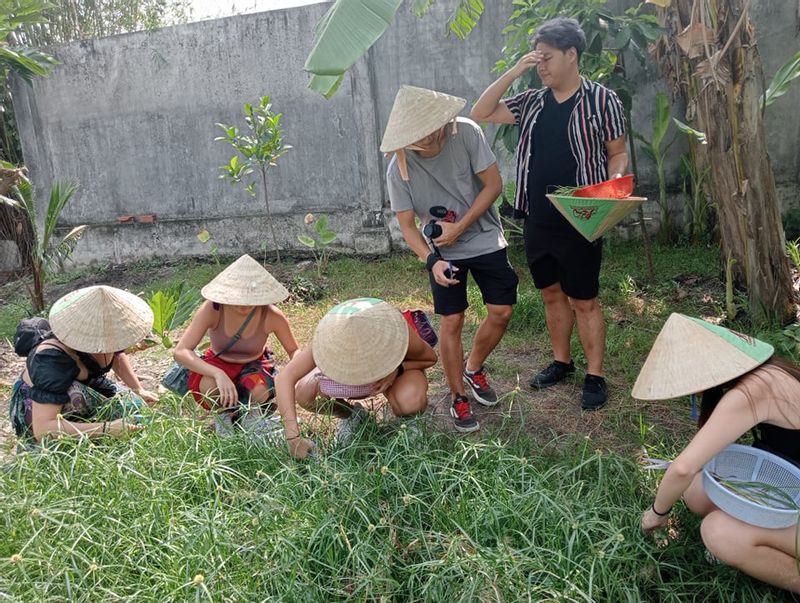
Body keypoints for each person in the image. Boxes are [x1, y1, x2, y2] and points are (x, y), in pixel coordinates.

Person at [471, 17, 628, 410]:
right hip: (537, 214)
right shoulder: (533, 101)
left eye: (546, 58)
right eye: (536, 59)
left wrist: (614, 186)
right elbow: (481, 110)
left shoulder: (602, 99)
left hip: (582, 214)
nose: (540, 65)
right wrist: (516, 69)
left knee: (585, 298)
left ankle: (596, 374)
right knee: (551, 293)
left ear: (571, 54)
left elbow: (618, 153)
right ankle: (562, 362)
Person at [382, 85, 518, 433]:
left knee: (501, 312)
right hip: (442, 252)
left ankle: (474, 367)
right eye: (419, 136)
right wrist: (432, 261)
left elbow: (493, 185)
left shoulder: (467, 133)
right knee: (452, 321)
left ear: (444, 121)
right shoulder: (399, 168)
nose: (429, 139)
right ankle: (458, 395)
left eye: (434, 129)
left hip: (485, 236)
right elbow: (408, 226)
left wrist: (462, 227)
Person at [635, 313, 800, 593]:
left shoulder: (754, 390)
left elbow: (683, 468)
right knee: (697, 490)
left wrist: (655, 514)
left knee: (718, 532)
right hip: (790, 486)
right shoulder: (766, 372)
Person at [274, 298, 437, 459]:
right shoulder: (328, 338)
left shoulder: (394, 329)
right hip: (352, 383)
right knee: (304, 392)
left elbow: (430, 358)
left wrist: (396, 369)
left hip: (396, 375)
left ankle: (410, 422)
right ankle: (351, 416)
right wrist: (293, 438)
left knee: (409, 402)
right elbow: (284, 378)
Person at [9, 285, 157, 442]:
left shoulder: (110, 334)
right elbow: (44, 429)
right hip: (42, 408)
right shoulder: (51, 359)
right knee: (75, 397)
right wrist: (107, 429)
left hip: (85, 384)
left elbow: (118, 356)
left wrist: (137, 389)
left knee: (135, 408)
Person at [173, 254, 300, 436]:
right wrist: (218, 373)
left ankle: (252, 413)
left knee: (257, 390)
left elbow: (294, 351)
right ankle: (223, 415)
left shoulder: (271, 315)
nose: (243, 304)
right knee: (210, 387)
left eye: (249, 298)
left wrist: (292, 376)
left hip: (254, 365)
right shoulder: (213, 310)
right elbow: (181, 351)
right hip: (219, 362)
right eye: (237, 298)